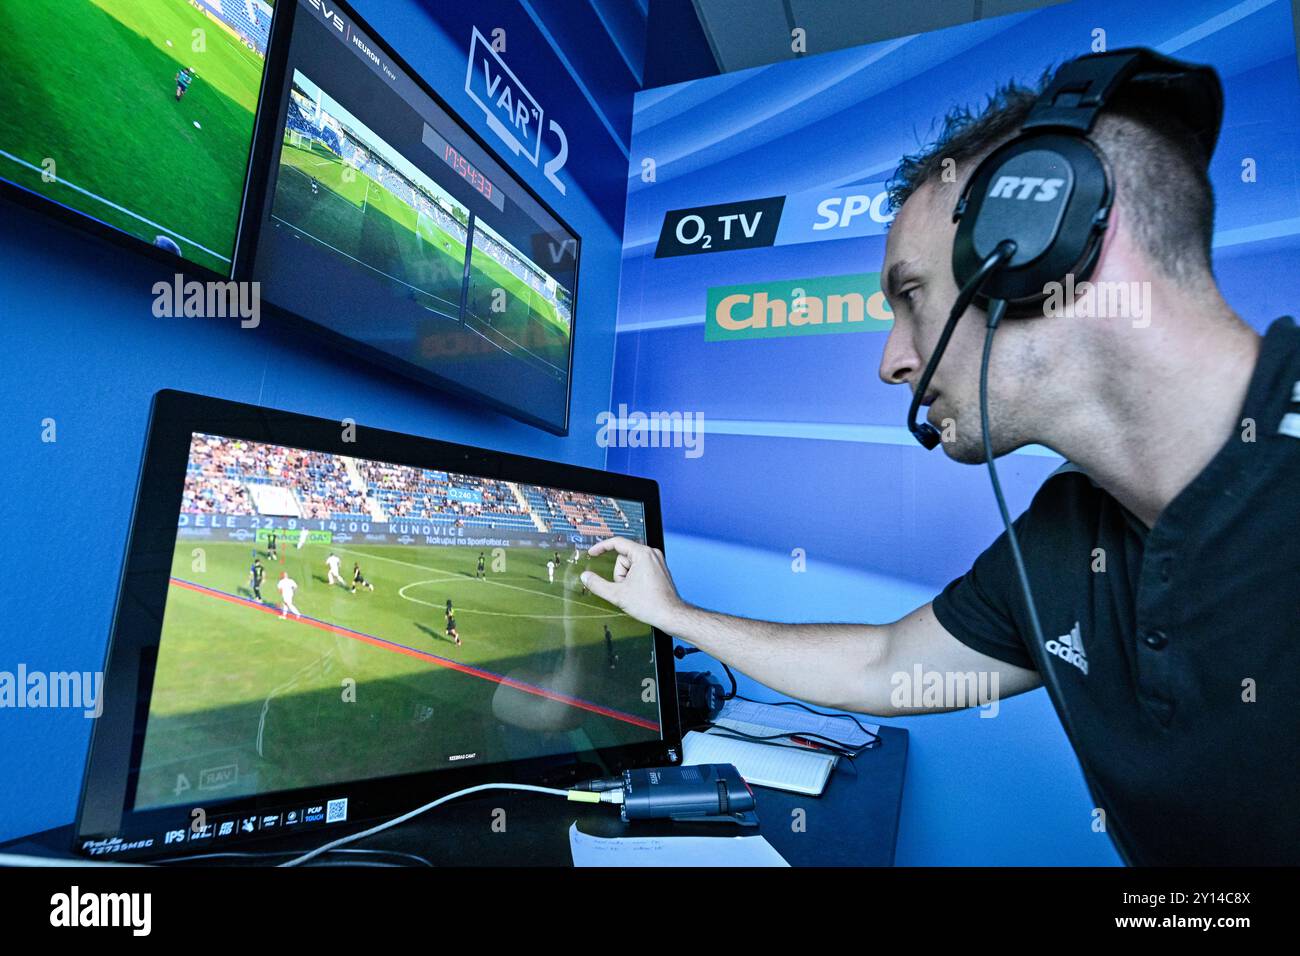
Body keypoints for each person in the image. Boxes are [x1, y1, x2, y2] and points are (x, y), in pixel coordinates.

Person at [578, 49, 1300, 867]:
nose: (891, 360)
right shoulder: (1067, 533)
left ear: (1038, 247)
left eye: (910, 295)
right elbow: (886, 664)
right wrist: (678, 616)